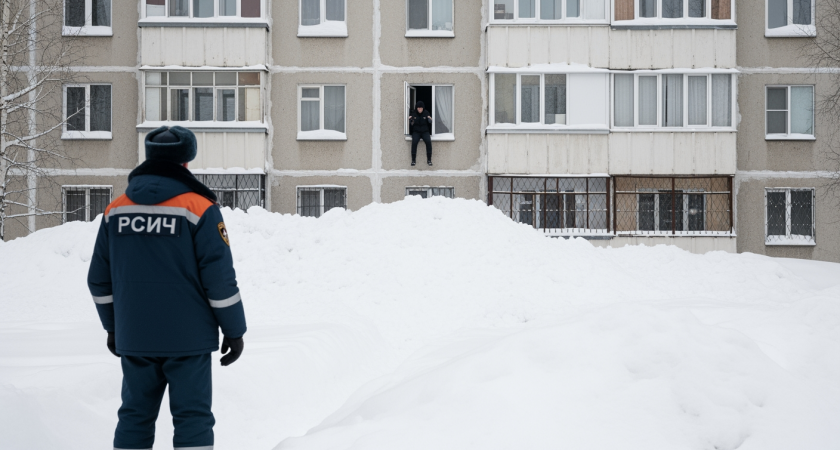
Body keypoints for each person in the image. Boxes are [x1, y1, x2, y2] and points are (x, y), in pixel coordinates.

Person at [87, 125, 247, 450]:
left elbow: (98, 280)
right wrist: (234, 330)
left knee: (134, 415)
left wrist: (113, 327)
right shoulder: (200, 208)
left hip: (135, 335)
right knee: (193, 418)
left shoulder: (115, 209)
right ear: (186, 161)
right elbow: (219, 279)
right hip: (188, 340)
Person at [408, 100, 433, 166]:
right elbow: (411, 122)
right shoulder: (414, 113)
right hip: (416, 132)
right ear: (416, 108)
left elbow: (430, 121)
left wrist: (430, 119)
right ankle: (413, 160)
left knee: (428, 142)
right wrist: (410, 119)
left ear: (423, 108)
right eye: (418, 108)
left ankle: (429, 160)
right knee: (414, 143)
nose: (419, 109)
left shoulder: (426, 112)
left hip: (425, 131)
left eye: (421, 108)